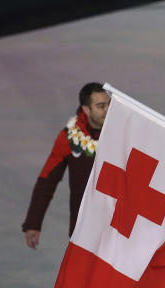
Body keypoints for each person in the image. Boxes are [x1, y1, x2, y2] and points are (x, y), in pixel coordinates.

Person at [23, 82, 110, 249]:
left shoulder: (122, 134)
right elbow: (47, 180)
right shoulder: (69, 138)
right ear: (86, 109)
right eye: (101, 106)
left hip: (117, 227)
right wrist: (33, 222)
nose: (107, 110)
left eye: (109, 104)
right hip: (83, 228)